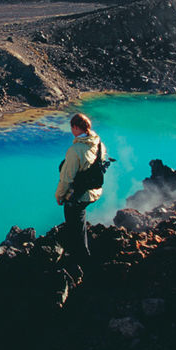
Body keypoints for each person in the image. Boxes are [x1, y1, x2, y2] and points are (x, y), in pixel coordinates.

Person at [55, 112, 106, 262]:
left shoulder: (75, 151)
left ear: (76, 128)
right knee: (79, 220)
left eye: (72, 127)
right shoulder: (98, 143)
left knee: (74, 221)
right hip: (94, 190)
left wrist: (59, 196)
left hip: (80, 194)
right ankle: (79, 252)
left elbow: (66, 178)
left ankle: (81, 258)